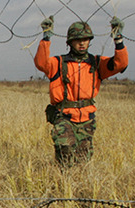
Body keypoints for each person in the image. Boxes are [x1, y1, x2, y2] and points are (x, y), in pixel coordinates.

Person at [34, 15, 128, 166]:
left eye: (85, 39)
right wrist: (46, 37)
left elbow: (120, 64)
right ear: (70, 42)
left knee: (83, 159)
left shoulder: (96, 63)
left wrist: (118, 39)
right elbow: (41, 62)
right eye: (78, 40)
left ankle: (79, 186)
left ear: (90, 41)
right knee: (65, 152)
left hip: (87, 118)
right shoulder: (58, 63)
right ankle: (64, 184)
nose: (82, 43)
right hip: (64, 116)